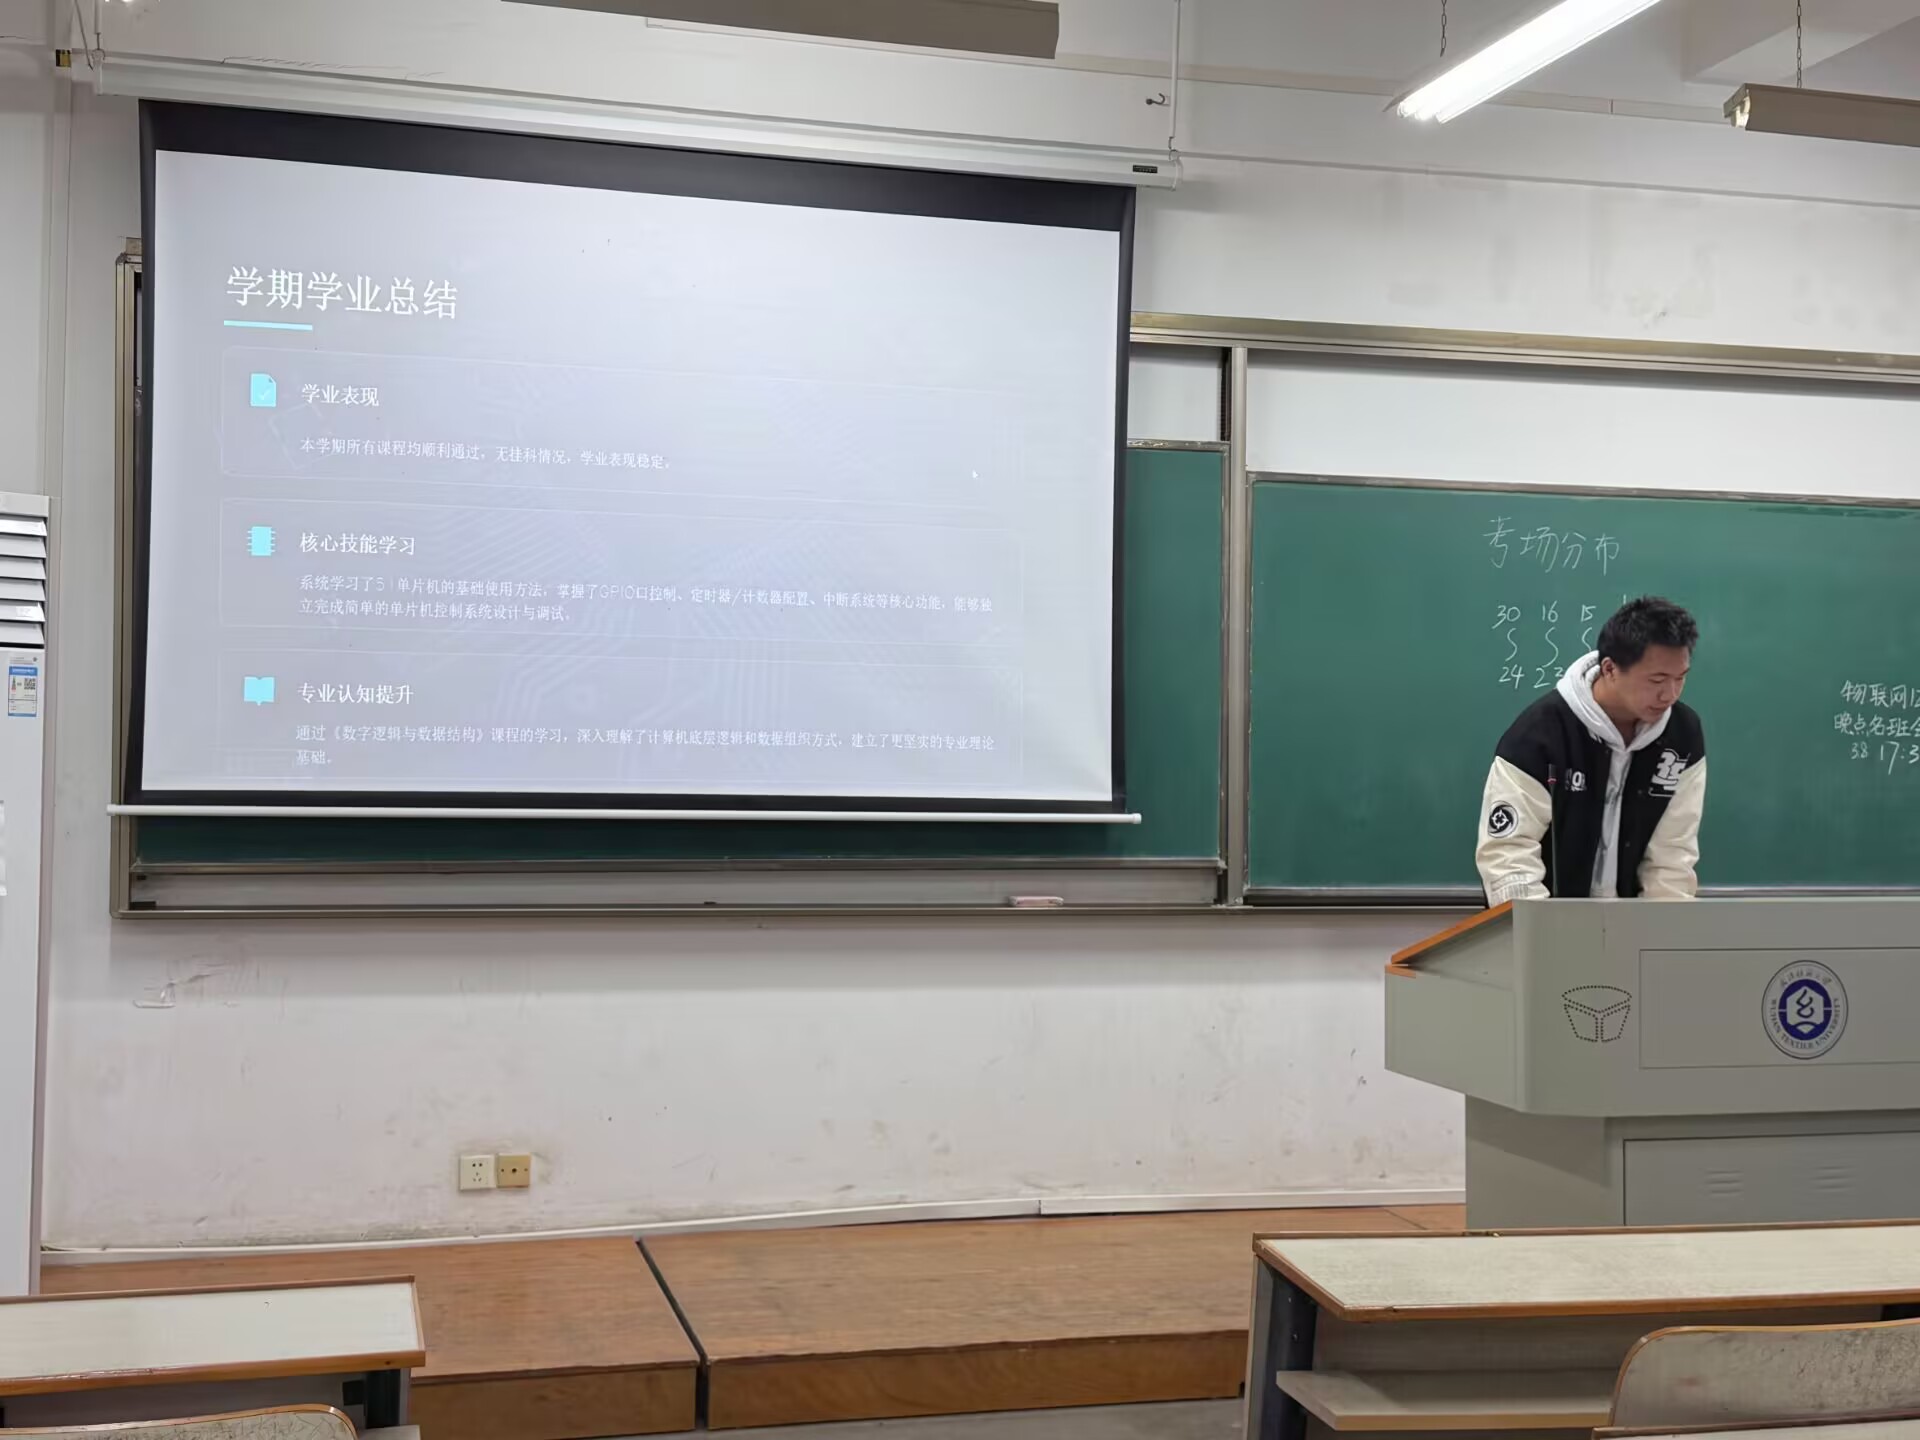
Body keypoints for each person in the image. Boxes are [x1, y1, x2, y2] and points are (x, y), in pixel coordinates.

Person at [1477, 596, 1706, 902]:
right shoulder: (1539, 735)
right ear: (1610, 669)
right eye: (1657, 680)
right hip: (1550, 920)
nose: (1670, 694)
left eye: (1680, 678)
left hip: (1634, 925)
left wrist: (1661, 929)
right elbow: (1508, 856)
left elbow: (1672, 857)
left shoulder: (1682, 736)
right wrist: (1538, 928)